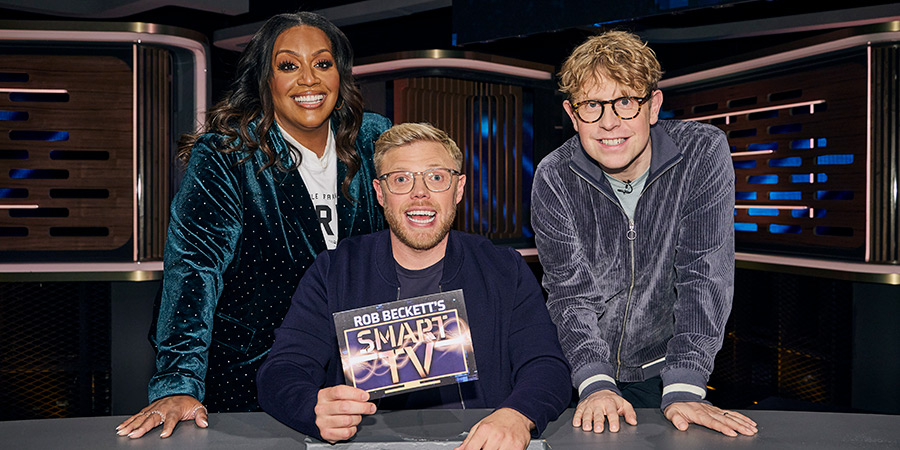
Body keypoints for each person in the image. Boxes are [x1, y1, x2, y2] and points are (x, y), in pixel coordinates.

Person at [115, 11, 390, 439]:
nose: (308, 80)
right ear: (264, 79)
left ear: (341, 73)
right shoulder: (226, 155)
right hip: (250, 382)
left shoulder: (373, 139)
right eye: (287, 66)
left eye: (322, 63)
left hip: (358, 383)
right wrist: (178, 382)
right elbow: (194, 269)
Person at [257, 123, 571, 449]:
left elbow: (546, 366)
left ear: (458, 188)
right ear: (380, 193)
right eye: (401, 179)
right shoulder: (336, 270)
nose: (419, 192)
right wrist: (314, 407)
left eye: (436, 177)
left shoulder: (504, 269)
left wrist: (517, 414)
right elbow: (282, 370)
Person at [531, 31, 758, 437]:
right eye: (592, 106)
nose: (609, 122)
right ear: (572, 113)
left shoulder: (702, 152)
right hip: (580, 371)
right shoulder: (554, 176)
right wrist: (595, 381)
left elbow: (704, 275)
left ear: (653, 106)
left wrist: (687, 381)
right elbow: (570, 293)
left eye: (625, 102)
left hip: (667, 372)